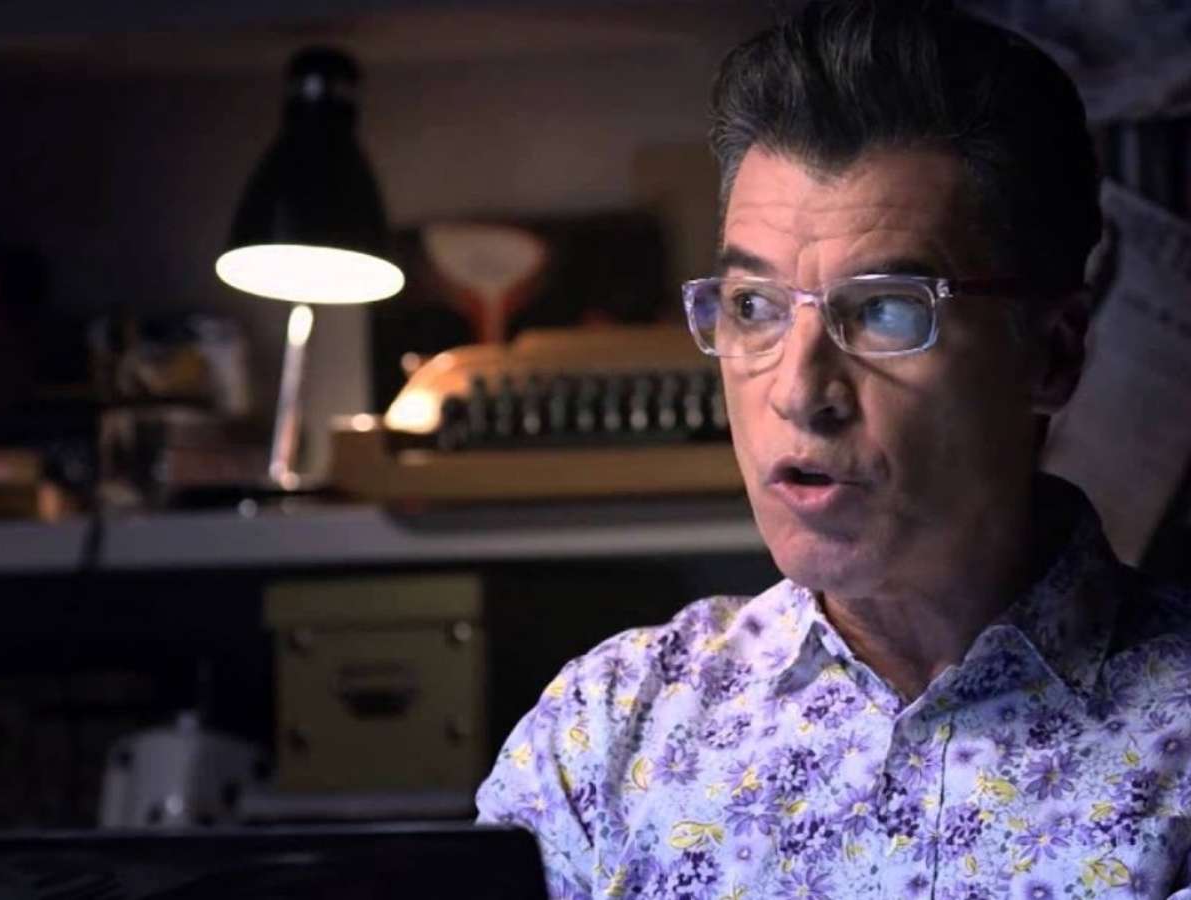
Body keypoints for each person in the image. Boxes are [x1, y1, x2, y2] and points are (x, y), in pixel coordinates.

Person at [476, 2, 1191, 897]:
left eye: (885, 309)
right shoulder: (607, 736)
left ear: (1051, 354)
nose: (798, 390)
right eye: (754, 307)